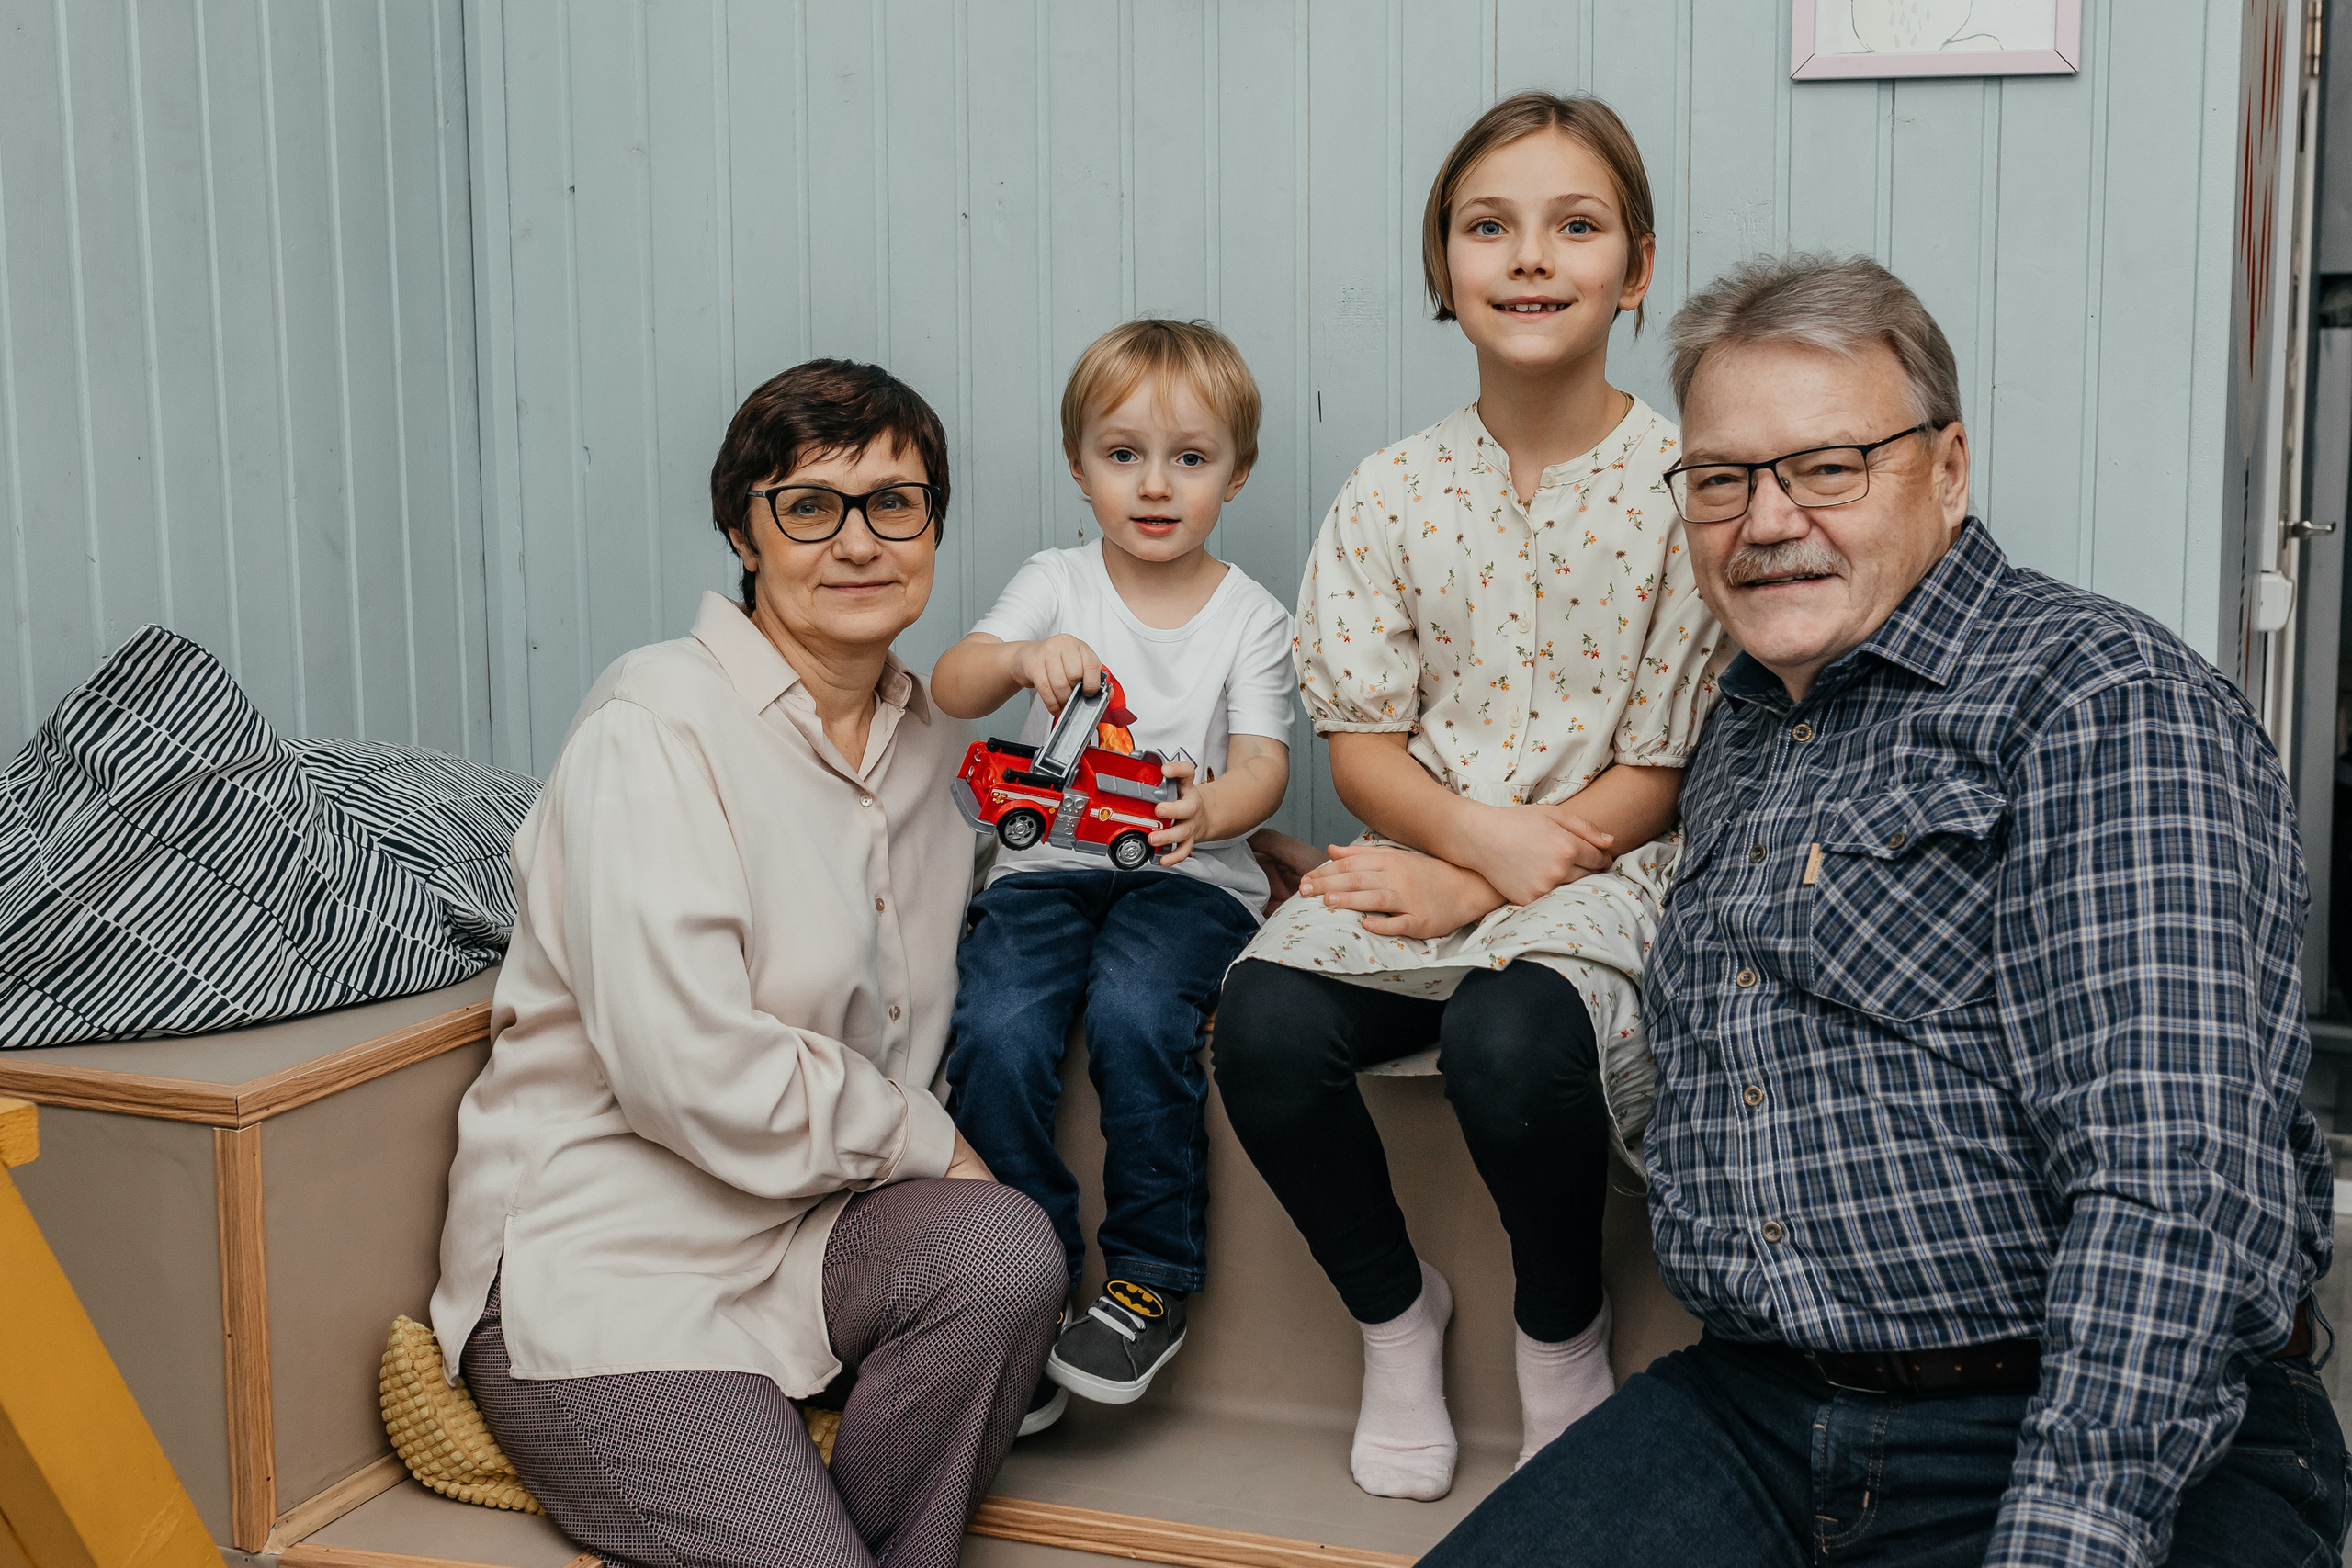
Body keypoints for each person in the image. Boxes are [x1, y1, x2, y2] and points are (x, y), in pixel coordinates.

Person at [1421, 253, 2346, 1568]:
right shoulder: (1744, 726)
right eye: (1724, 479)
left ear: (1949, 468)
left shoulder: (2098, 696)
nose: (1766, 519)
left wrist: (2068, 1531)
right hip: (1758, 1405)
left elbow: (2179, 1181)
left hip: (2090, 1415)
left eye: (1828, 466)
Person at [428, 360, 1067, 1568]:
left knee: (1006, 1251)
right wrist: (931, 1142)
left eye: (896, 501)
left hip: (809, 1235)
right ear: (743, 529)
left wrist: (1246, 860)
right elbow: (690, 1068)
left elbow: (1025, 885)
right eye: (809, 504)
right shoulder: (655, 721)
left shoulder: (931, 744)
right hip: (612, 1261)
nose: (860, 539)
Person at [1211, 91, 1730, 1502]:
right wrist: (1459, 852)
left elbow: (1668, 764)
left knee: (1513, 1039)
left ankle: (1561, 1330)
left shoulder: (1690, 487)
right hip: (1431, 845)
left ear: (1635, 265)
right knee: (1261, 1021)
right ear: (1442, 267)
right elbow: (1362, 744)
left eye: (1576, 225)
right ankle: (1396, 1311)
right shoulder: (1392, 490)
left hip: (1610, 864)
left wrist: (1499, 877)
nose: (1530, 257)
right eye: (1487, 227)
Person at [933, 319, 1295, 1433]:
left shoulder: (1250, 616)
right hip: (1046, 873)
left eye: (1189, 458)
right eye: (1121, 453)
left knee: (1139, 1013)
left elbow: (1266, 768)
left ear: (1235, 475)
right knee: (993, 1026)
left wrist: (1208, 811)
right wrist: (1015, 658)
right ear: (1077, 465)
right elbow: (951, 685)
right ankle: (1027, 1272)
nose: (1154, 484)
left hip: (1186, 877)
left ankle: (1150, 1279)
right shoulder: (1054, 582)